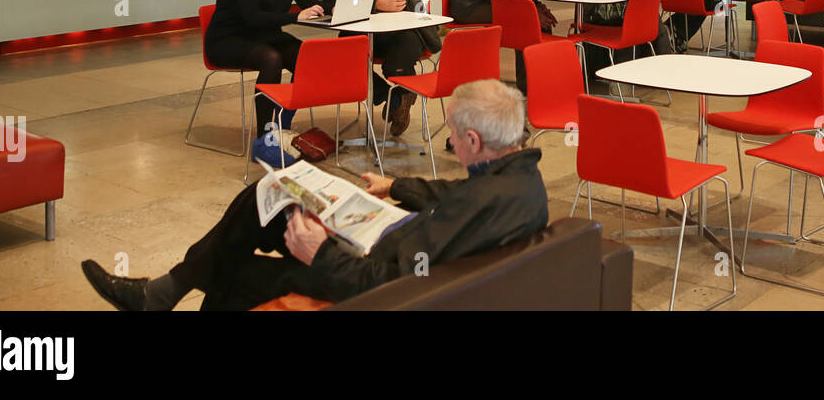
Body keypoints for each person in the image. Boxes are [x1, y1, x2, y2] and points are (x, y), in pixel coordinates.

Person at [80, 79, 548, 311]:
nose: (449, 141)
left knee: (235, 273)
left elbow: (390, 288)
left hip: (361, 270)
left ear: (472, 143)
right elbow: (452, 195)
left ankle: (160, 294)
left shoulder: (483, 200)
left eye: (453, 133)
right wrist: (397, 186)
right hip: (380, 239)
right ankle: (163, 292)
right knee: (267, 193)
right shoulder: (516, 179)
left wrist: (320, 252)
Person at [204, 0, 325, 139]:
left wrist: (335, 6)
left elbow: (309, 1)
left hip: (264, 36)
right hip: (228, 38)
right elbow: (252, 18)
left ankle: (283, 119)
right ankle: (264, 135)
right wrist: (294, 16)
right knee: (271, 59)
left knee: (304, 56)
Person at [322, 0, 441, 137]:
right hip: (359, 29)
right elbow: (331, 1)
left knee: (396, 63)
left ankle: (402, 92)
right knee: (342, 57)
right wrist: (375, 3)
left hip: (404, 28)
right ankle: (394, 97)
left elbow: (397, 0)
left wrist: (359, 3)